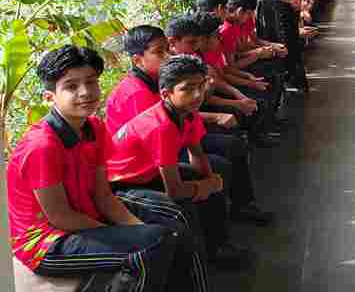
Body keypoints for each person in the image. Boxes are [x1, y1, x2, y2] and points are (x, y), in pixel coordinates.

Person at [7, 46, 179, 292]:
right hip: (45, 243)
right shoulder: (41, 146)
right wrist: (122, 233)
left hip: (84, 218)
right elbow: (60, 217)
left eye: (91, 82)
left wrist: (135, 227)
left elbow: (103, 196)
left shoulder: (95, 128)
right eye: (71, 86)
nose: (85, 92)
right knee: (153, 243)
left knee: (173, 230)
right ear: (49, 97)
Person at [108, 55, 249, 268]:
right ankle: (198, 262)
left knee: (213, 176)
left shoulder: (188, 113)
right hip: (122, 185)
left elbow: (197, 154)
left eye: (201, 86)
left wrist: (210, 179)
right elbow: (174, 191)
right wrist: (205, 186)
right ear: (166, 94)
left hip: (150, 173)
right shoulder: (161, 126)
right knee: (182, 210)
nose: (198, 95)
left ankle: (217, 247)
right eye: (187, 89)